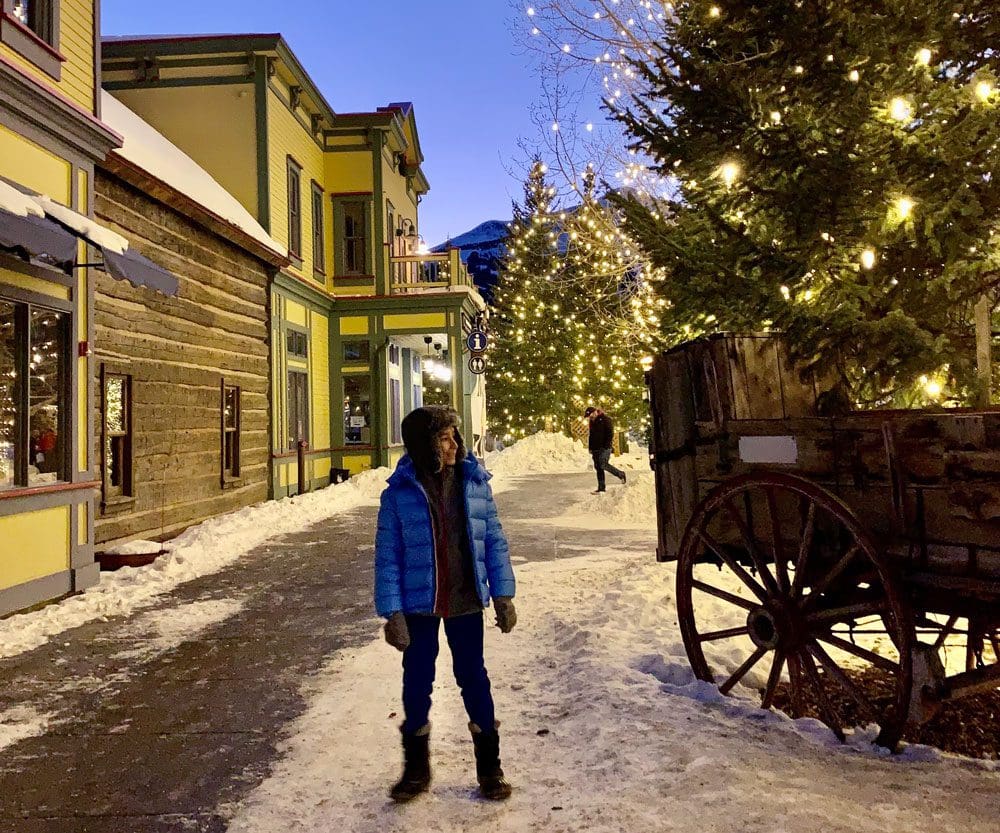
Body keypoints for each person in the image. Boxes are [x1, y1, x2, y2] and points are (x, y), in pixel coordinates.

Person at [375, 405, 517, 803]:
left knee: (474, 678)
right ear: (426, 445)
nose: (455, 444)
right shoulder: (399, 494)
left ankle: (490, 768)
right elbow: (388, 556)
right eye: (445, 437)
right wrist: (393, 612)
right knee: (417, 683)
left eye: (454, 436)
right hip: (420, 604)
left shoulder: (474, 483)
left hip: (466, 599)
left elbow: (494, 541)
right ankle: (416, 770)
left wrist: (503, 593)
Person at [585, 406, 627, 493]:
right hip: (595, 448)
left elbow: (610, 433)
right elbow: (591, 436)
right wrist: (591, 448)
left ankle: (621, 474)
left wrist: (607, 445)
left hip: (605, 447)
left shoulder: (605, 419)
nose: (590, 417)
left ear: (595, 412)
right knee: (598, 467)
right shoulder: (592, 422)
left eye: (591, 415)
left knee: (603, 464)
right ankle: (601, 488)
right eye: (589, 416)